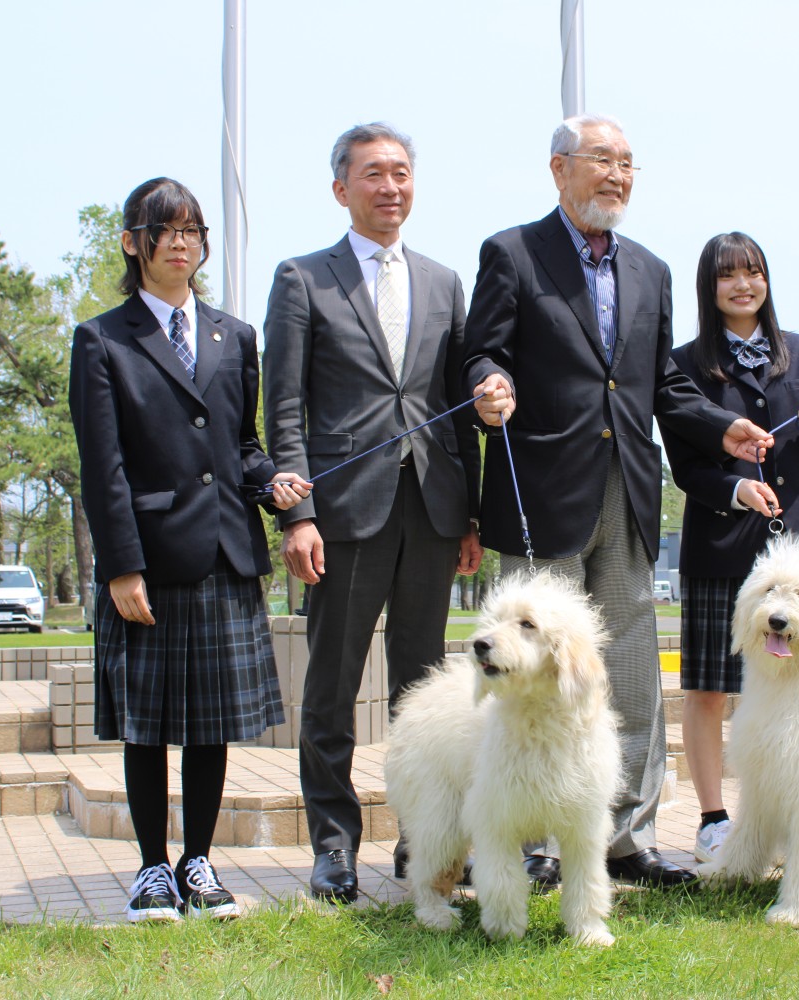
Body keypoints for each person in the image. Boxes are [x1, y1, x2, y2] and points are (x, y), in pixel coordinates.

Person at [465, 115, 773, 888]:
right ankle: (533, 844)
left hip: (627, 491)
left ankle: (625, 840)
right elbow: (484, 349)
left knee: (631, 669)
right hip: (541, 488)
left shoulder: (651, 269)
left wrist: (721, 424)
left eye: (629, 163)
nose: (617, 175)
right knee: (536, 674)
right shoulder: (511, 253)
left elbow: (662, 387)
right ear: (559, 169)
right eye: (602, 160)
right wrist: (487, 385)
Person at [68, 177, 308, 923]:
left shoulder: (234, 336)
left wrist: (272, 484)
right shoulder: (102, 339)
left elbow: (240, 446)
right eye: (165, 229)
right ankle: (149, 870)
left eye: (192, 230)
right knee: (147, 723)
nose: (181, 242)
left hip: (226, 554)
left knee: (210, 725)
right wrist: (121, 566)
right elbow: (102, 467)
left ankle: (198, 862)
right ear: (132, 241)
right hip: (151, 560)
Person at [263, 123, 483, 904]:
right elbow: (284, 407)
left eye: (401, 173)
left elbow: (455, 406)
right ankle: (332, 845)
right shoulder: (303, 279)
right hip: (343, 516)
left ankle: (425, 843)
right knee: (331, 686)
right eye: (373, 175)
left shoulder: (444, 280)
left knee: (424, 693)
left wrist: (471, 515)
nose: (390, 187)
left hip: (431, 508)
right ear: (340, 189)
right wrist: (297, 515)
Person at [664, 231, 799, 864]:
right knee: (710, 688)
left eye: (754, 272)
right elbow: (686, 467)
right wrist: (736, 489)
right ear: (708, 289)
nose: (744, 285)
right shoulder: (683, 364)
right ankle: (714, 819)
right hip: (722, 545)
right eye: (728, 276)